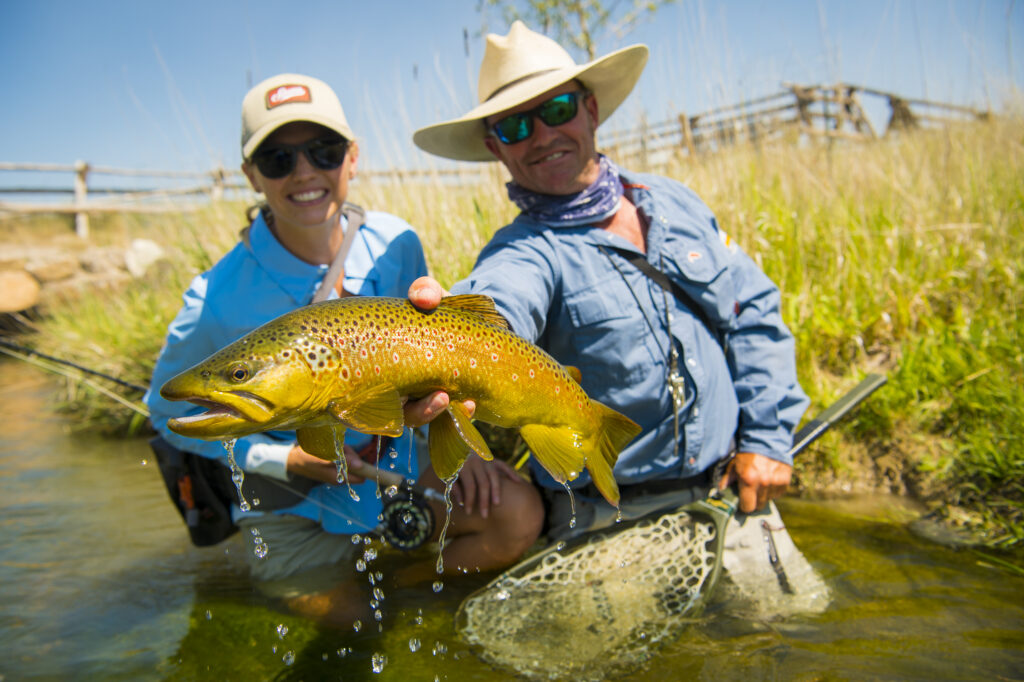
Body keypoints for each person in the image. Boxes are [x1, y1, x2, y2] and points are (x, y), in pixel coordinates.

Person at [408, 21, 815, 600]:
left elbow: (753, 313)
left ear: (591, 108)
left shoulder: (673, 200)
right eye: (516, 125)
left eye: (557, 109)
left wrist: (768, 440)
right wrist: (450, 335)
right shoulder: (523, 251)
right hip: (608, 518)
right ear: (496, 146)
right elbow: (501, 303)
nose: (541, 135)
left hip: (733, 488)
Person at [145, 73, 541, 628]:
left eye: (323, 151)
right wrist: (284, 458)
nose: (304, 171)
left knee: (516, 516)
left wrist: (462, 442)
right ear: (251, 176)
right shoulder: (212, 300)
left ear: (351, 159)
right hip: (292, 505)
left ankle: (403, 589)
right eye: (278, 158)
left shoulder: (396, 242)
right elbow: (165, 414)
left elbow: (427, 366)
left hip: (396, 469)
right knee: (355, 627)